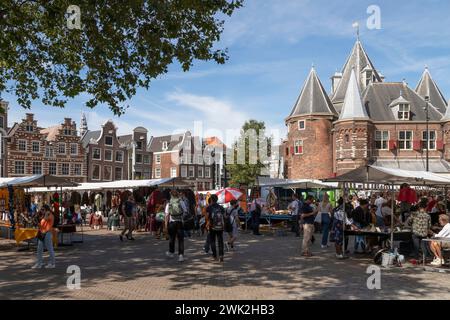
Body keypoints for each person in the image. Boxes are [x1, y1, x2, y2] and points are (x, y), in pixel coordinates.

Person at [32, 205, 55, 269]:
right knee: (39, 249)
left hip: (47, 233)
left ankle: (52, 263)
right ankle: (39, 263)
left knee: (50, 248)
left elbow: (43, 222)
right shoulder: (43, 215)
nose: (41, 211)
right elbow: (40, 225)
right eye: (41, 209)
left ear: (46, 210)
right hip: (42, 233)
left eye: (43, 209)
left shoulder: (50, 215)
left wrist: (45, 214)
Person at [165, 190, 186, 262]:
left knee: (172, 238)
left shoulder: (169, 203)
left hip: (172, 222)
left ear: (171, 195)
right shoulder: (181, 202)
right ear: (177, 195)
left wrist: (165, 225)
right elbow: (185, 211)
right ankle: (181, 255)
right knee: (180, 239)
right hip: (180, 222)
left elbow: (167, 215)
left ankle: (171, 252)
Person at [207, 194, 225, 262]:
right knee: (220, 241)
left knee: (212, 241)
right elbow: (224, 217)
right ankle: (221, 255)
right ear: (217, 199)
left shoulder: (209, 207)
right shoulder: (221, 207)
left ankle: (214, 256)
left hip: (212, 226)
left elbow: (207, 217)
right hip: (220, 226)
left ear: (211, 200)